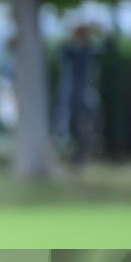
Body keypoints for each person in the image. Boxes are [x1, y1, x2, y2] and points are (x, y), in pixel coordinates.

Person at [55, 22, 100, 165]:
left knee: (86, 125)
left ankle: (81, 155)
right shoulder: (70, 51)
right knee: (69, 124)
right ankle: (72, 154)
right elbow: (63, 51)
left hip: (83, 93)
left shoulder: (89, 50)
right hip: (71, 93)